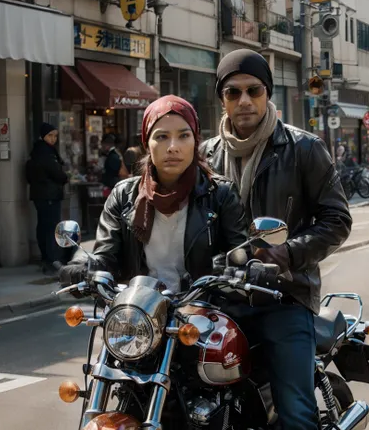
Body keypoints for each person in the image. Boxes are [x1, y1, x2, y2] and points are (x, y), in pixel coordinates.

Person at [201, 49, 352, 430]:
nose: (243, 101)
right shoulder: (204, 154)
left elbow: (337, 220)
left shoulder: (302, 148)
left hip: (285, 296)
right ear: (221, 97)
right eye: (233, 91)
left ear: (269, 94)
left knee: (295, 407)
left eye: (254, 91)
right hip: (222, 295)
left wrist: (288, 255)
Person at [59, 95, 246, 297]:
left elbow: (240, 254)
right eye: (161, 136)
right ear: (147, 144)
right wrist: (82, 266)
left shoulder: (221, 194)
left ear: (195, 141)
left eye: (183, 136)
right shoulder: (123, 195)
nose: (173, 146)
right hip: (139, 312)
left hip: (203, 312)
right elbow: (106, 255)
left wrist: (229, 270)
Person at [26, 123, 68, 274]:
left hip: (41, 195)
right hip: (49, 195)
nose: (53, 139)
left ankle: (47, 258)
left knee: (44, 226)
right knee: (50, 228)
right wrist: (64, 177)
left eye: (55, 136)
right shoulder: (46, 153)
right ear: (43, 136)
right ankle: (52, 260)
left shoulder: (38, 151)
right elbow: (59, 174)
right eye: (50, 135)